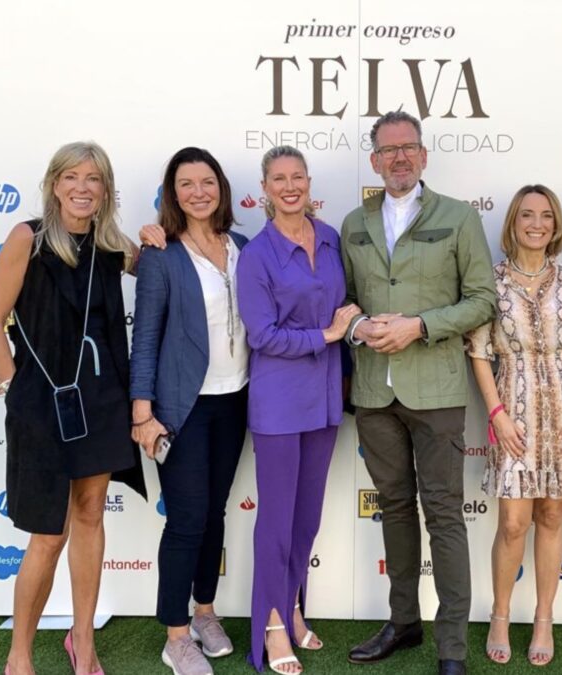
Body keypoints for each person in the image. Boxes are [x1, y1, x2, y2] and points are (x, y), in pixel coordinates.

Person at [0, 141, 146, 675]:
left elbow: (154, 268)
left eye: (93, 178)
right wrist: (16, 390)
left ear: (105, 190)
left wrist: (155, 239)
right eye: (72, 176)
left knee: (91, 514)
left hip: (99, 401)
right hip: (41, 405)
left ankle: (84, 643)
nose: (82, 187)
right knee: (48, 534)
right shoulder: (25, 239)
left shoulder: (109, 245)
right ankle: (20, 654)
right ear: (54, 184)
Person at [341, 111, 497, 675]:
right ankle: (403, 622)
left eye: (408, 147)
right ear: (375, 159)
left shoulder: (457, 217)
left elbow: (482, 298)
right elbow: (344, 301)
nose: (399, 158)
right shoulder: (354, 222)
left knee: (444, 515)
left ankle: (451, 645)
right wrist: (359, 327)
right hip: (374, 393)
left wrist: (420, 325)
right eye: (388, 150)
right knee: (395, 510)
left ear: (424, 155)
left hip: (436, 392)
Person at [464, 185, 562, 667]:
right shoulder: (491, 280)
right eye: (527, 214)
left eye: (546, 215)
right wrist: (497, 414)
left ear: (556, 223)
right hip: (514, 413)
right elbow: (479, 353)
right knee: (512, 523)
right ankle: (500, 614)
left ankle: (544, 617)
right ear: (513, 222)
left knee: (551, 516)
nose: (537, 223)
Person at [235, 145, 360, 674]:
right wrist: (328, 332)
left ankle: (293, 607)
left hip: (326, 396)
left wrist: (352, 326)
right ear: (265, 189)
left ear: (309, 183)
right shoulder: (256, 255)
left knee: (306, 519)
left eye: (298, 177)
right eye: (279, 179)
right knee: (277, 522)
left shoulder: (330, 239)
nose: (290, 186)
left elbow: (347, 307)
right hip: (280, 400)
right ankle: (269, 624)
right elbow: (262, 335)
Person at [130, 147, 250, 675]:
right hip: (182, 408)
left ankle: (205, 612)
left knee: (216, 513)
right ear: (172, 193)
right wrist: (141, 413)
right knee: (185, 520)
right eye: (186, 184)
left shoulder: (243, 246)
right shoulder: (161, 253)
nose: (198, 191)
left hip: (238, 399)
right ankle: (176, 635)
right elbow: (147, 339)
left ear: (221, 188)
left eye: (207, 181)